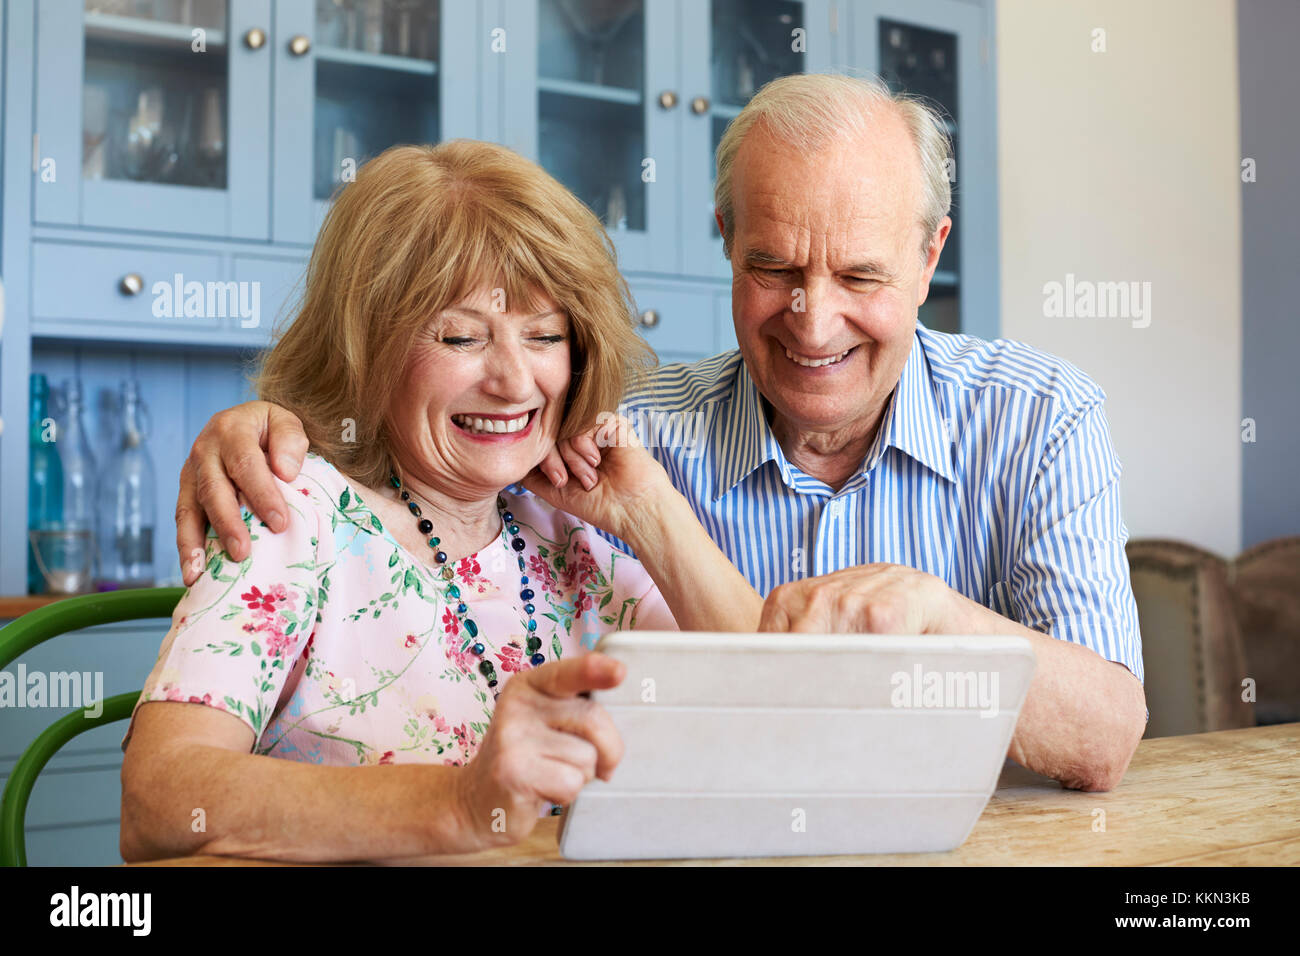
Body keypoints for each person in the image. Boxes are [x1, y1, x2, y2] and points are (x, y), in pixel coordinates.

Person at [173, 74, 1147, 794]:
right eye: (773, 268)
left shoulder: (1037, 416)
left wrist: (933, 619)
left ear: (929, 254)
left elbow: (1102, 735)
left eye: (857, 277)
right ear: (724, 235)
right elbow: (435, 447)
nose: (812, 323)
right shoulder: (616, 443)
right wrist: (274, 424)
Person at [120, 141, 764, 863]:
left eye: (545, 335)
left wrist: (652, 513)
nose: (516, 381)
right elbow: (161, 800)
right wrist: (458, 803)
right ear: (367, 347)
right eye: (461, 336)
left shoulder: (575, 541)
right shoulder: (292, 514)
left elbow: (774, 727)